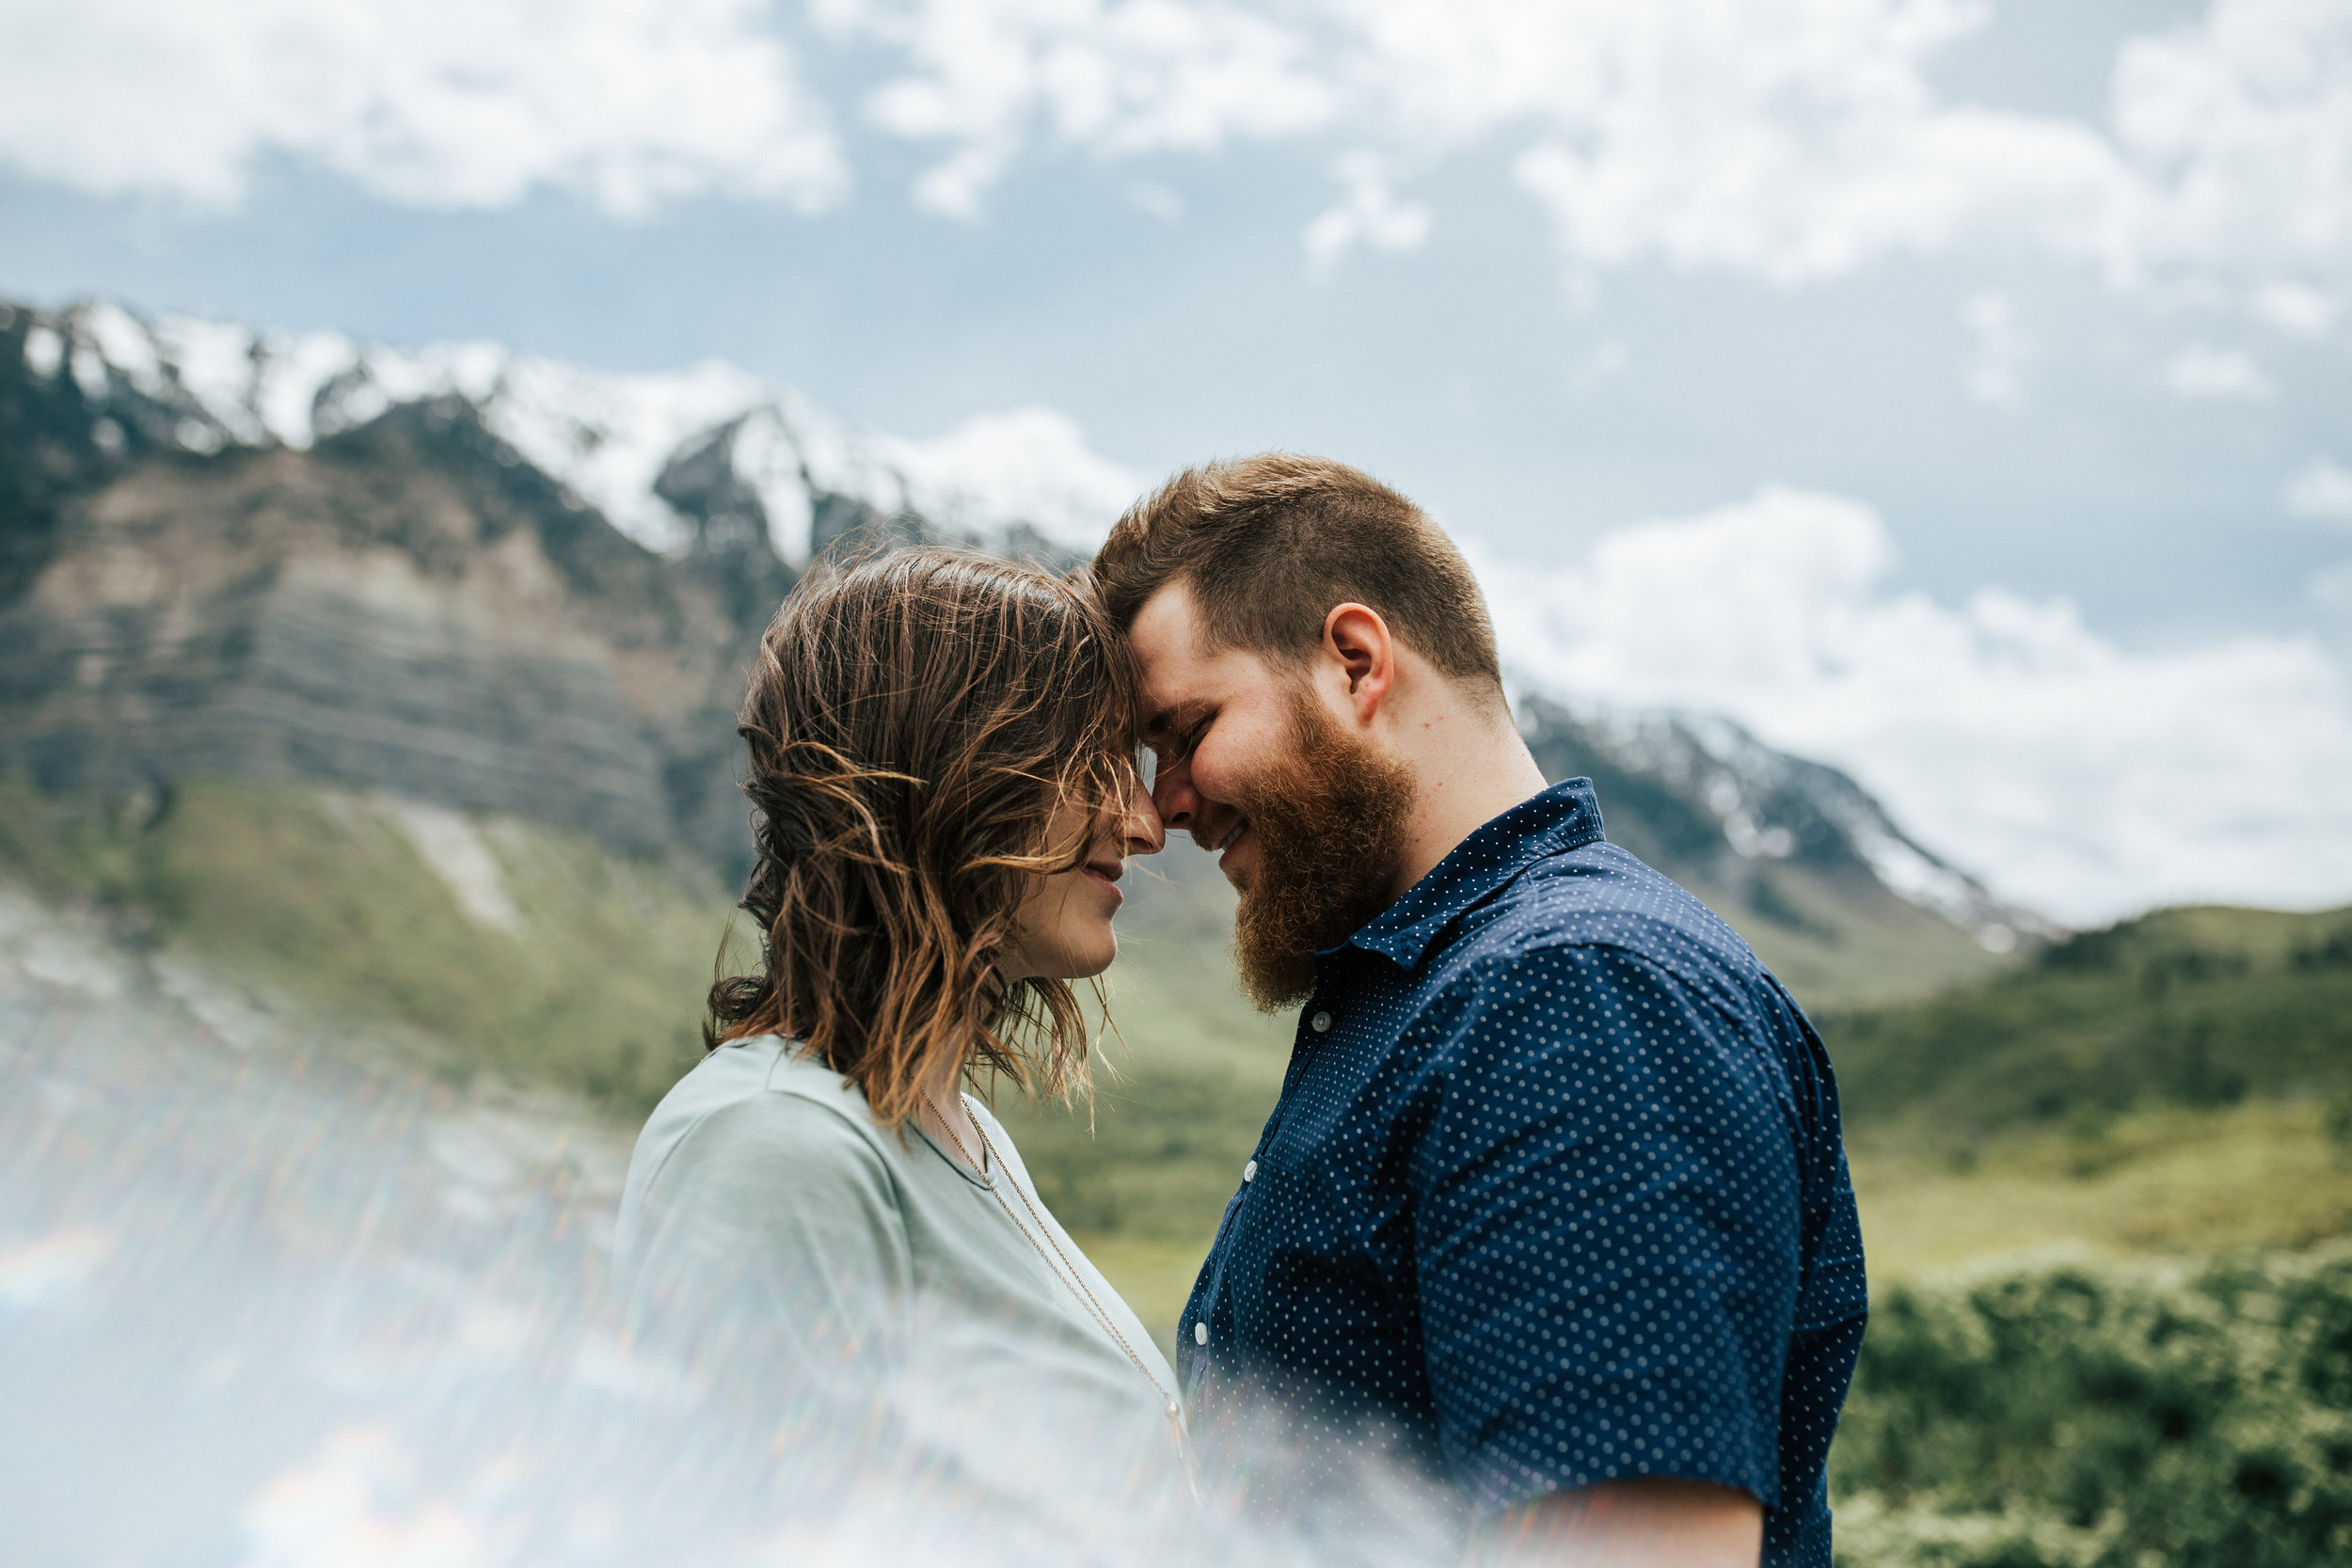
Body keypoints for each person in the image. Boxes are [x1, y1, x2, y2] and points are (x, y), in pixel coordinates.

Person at [1085, 455, 1867, 1567]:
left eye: (1185, 728)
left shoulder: (1575, 1000)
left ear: (1355, 662)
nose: (1164, 805)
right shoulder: (1442, 991)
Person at [612, 547, 1189, 1540]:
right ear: (951, 768)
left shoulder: (959, 1135)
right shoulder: (776, 1148)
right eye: (1092, 764)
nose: (1143, 822)